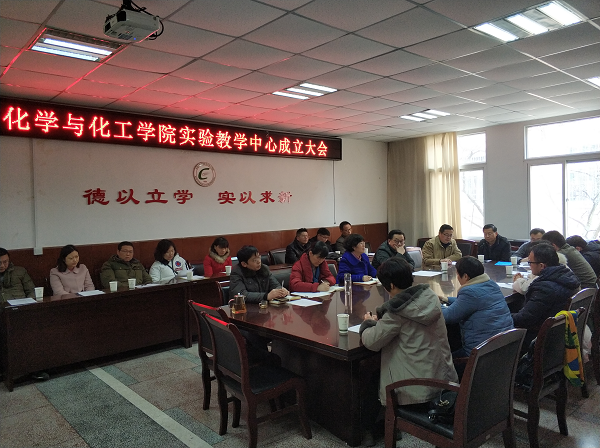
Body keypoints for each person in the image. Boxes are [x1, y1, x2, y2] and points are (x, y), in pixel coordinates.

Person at [360, 258, 457, 445]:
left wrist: (368, 323)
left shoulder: (398, 312)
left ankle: (371, 428)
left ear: (391, 285)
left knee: (372, 376)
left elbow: (372, 342)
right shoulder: (429, 297)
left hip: (419, 389)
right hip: (443, 377)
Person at [441, 256, 514, 358]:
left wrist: (436, 303)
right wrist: (446, 299)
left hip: (481, 355)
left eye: (457, 274)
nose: (457, 278)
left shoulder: (469, 292)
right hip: (505, 348)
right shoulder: (491, 284)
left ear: (465, 276)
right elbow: (468, 303)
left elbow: (447, 316)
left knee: (442, 359)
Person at [512, 243, 580, 349]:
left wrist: (504, 317)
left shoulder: (545, 287)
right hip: (559, 335)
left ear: (541, 266)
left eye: (530, 263)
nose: (529, 266)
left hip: (540, 338)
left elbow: (525, 319)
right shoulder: (566, 275)